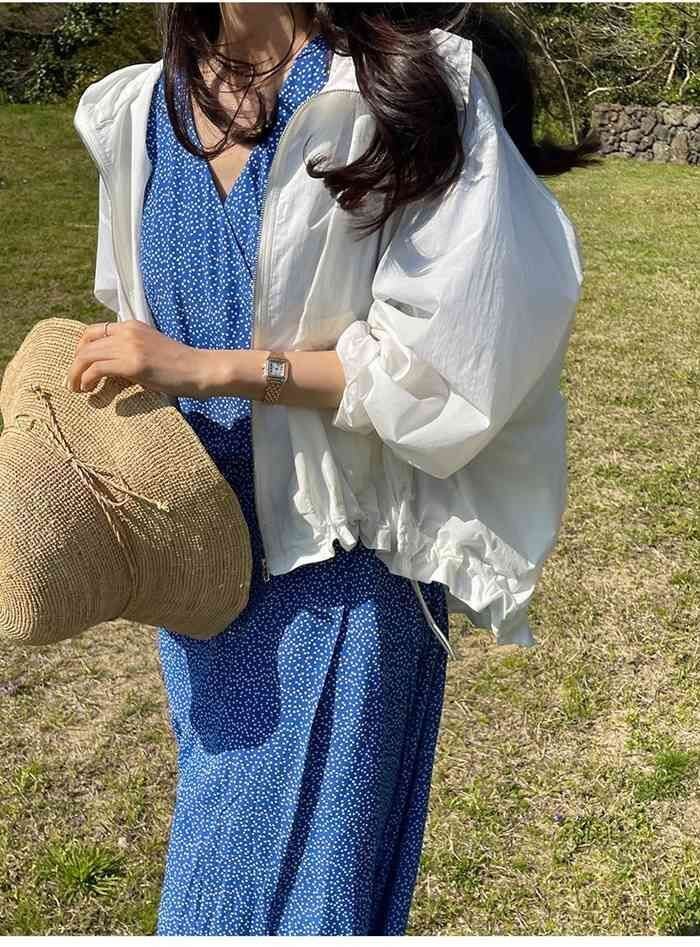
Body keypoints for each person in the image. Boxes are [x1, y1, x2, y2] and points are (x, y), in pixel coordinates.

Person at [68, 2, 597, 935]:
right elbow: (135, 317)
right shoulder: (140, 110)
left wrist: (216, 367)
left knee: (248, 908)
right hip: (198, 579)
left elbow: (448, 366)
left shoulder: (401, 87)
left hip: (340, 572)